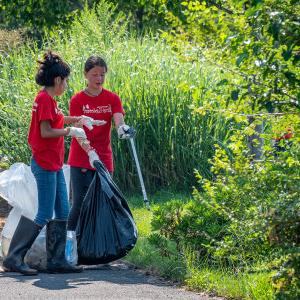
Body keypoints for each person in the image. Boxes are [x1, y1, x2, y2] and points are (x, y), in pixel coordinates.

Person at [2, 51, 90, 275]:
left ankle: (57, 260)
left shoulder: (51, 100)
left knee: (63, 210)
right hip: (44, 164)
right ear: (57, 80)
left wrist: (78, 120)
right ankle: (14, 258)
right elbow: (46, 130)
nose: (67, 85)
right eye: (66, 80)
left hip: (55, 163)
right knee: (43, 213)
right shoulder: (43, 100)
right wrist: (70, 131)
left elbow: (56, 121)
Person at [67, 55, 134, 232]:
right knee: (80, 203)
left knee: (104, 201)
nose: (99, 79)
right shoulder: (77, 100)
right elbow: (77, 131)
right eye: (95, 74)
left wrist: (122, 129)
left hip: (104, 157)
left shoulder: (112, 98)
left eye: (102, 74)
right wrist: (89, 152)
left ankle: (98, 245)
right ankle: (69, 244)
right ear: (86, 75)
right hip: (82, 156)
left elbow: (119, 119)